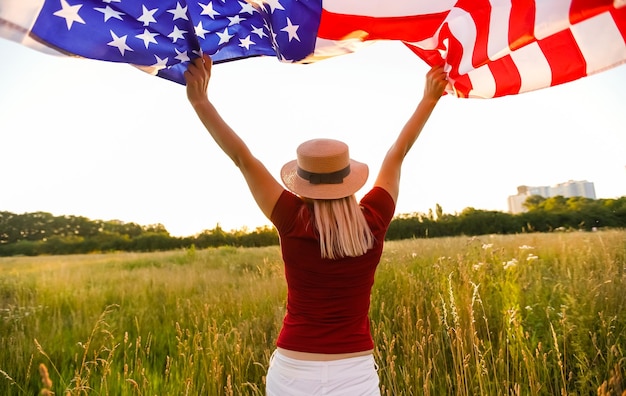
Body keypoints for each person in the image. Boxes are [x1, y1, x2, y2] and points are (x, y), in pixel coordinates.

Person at [184, 54, 447, 395]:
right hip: (354, 371)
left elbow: (243, 159)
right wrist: (428, 99)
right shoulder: (373, 221)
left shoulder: (292, 218)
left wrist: (200, 101)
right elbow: (398, 152)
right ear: (348, 179)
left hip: (294, 368)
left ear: (302, 183)